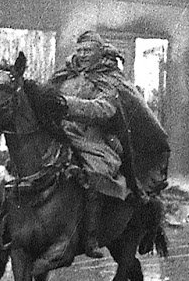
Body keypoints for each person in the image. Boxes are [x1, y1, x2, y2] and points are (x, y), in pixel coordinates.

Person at [45, 30, 168, 258]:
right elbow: (47, 96)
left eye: (88, 50)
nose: (82, 55)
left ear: (99, 52)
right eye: (79, 50)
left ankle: (91, 237)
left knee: (95, 173)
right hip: (61, 135)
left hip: (93, 138)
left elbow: (106, 109)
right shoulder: (65, 75)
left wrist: (66, 105)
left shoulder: (109, 78)